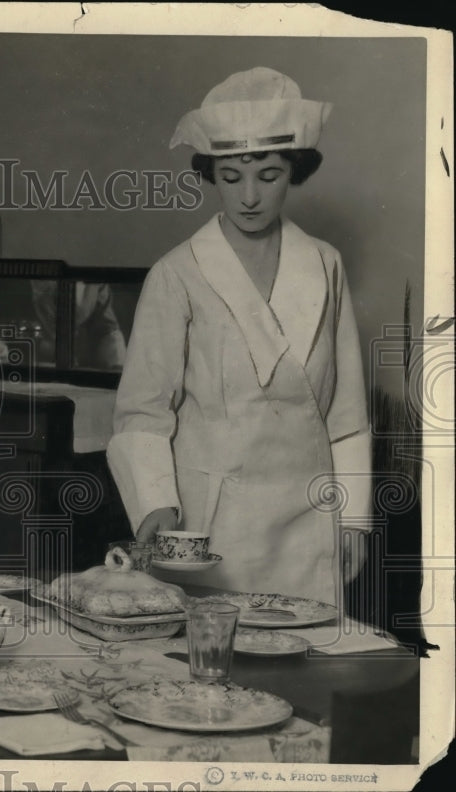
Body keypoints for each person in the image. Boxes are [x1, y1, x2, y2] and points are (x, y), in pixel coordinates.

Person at [106, 68, 371, 604]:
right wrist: (155, 503)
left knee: (304, 667)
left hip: (308, 519)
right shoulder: (177, 273)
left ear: (293, 171)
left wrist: (355, 520)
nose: (249, 196)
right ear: (211, 175)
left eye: (268, 175)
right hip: (210, 522)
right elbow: (143, 410)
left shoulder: (325, 265)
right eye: (231, 178)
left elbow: (346, 412)